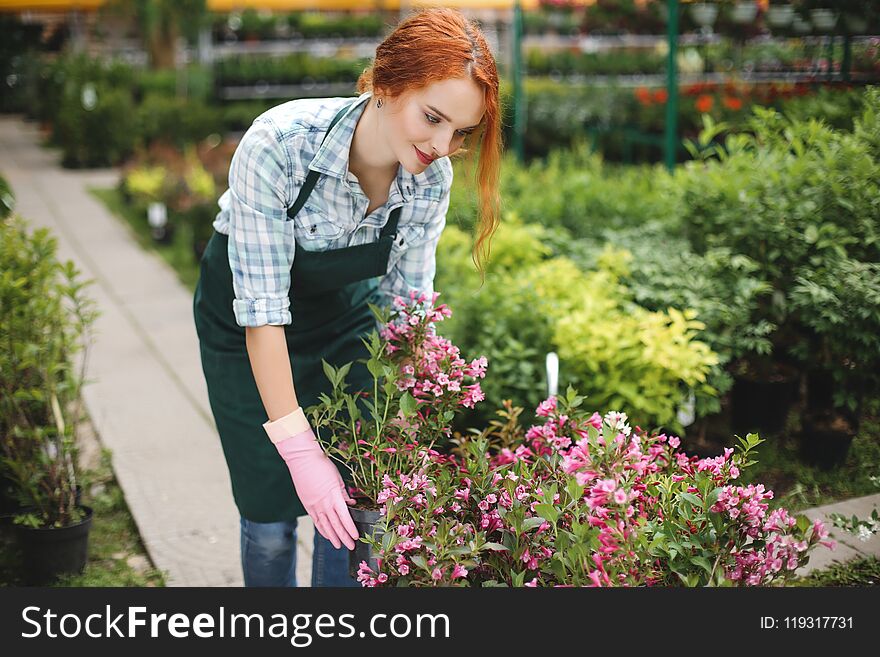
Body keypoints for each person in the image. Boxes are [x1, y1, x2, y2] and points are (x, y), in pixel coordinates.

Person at [192, 7, 501, 587]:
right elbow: (262, 314)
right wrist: (299, 449)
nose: (441, 145)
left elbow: (408, 301)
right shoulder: (279, 146)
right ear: (386, 85)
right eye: (432, 117)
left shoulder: (428, 177)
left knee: (354, 514)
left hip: (344, 324)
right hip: (245, 334)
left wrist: (415, 409)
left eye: (460, 133)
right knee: (271, 520)